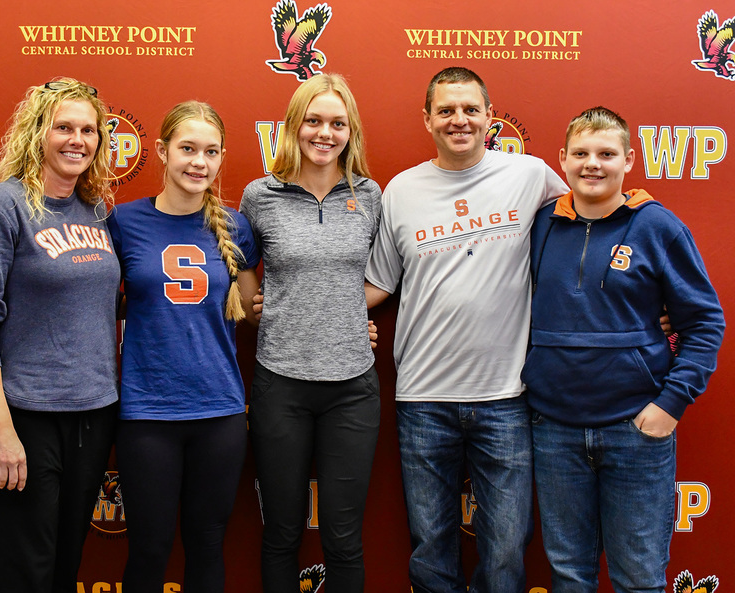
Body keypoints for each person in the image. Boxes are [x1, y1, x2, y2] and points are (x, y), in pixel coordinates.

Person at [363, 67, 568, 593]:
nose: (460, 120)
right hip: (422, 399)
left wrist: (643, 300)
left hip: (506, 396)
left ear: (489, 117)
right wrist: (293, 307)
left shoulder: (531, 176)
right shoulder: (400, 191)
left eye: (471, 109)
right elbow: (377, 287)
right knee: (430, 549)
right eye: (447, 110)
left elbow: (588, 231)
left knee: (505, 550)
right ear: (427, 119)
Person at [523, 107, 724, 593]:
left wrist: (669, 404)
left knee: (638, 577)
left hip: (636, 429)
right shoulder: (541, 225)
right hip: (554, 430)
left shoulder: (658, 227)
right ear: (562, 161)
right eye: (581, 154)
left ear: (629, 160)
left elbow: (704, 321)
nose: (593, 164)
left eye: (607, 154)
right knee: (570, 575)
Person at [0, 78, 119, 593]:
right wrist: (1, 429)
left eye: (89, 130)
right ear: (36, 134)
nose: (78, 140)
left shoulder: (96, 211)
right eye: (63, 127)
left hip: (93, 414)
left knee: (65, 568)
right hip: (24, 416)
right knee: (27, 575)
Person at [107, 101, 260, 593]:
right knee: (149, 548)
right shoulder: (123, 222)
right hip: (147, 413)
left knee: (207, 543)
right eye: (188, 149)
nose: (199, 162)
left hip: (219, 410)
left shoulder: (236, 228)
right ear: (161, 152)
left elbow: (258, 306)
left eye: (211, 152)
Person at [239, 73, 382, 593]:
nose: (325, 133)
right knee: (282, 532)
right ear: (294, 126)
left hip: (352, 387)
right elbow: (244, 269)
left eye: (337, 123)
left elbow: (382, 275)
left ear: (351, 131)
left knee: (344, 538)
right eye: (314, 121)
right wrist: (261, 306)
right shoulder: (261, 195)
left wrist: (345, 313)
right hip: (281, 384)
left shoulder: (369, 195)